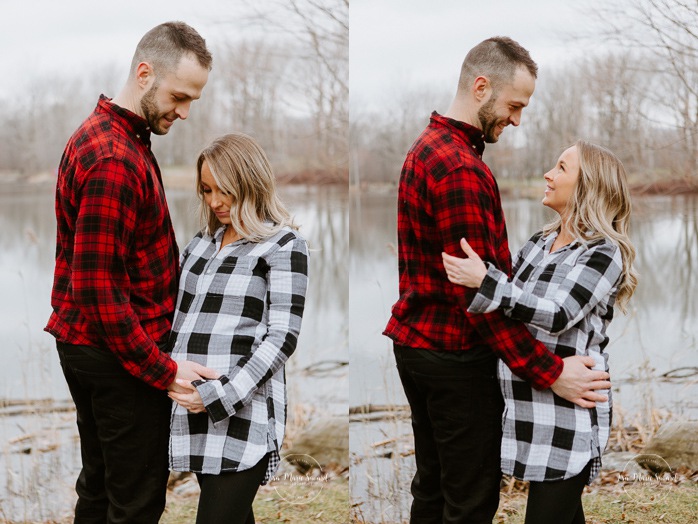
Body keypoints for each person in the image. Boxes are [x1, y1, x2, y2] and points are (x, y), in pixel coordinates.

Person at [383, 37, 612, 523]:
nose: (516, 120)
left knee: (434, 489)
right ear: (481, 87)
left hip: (418, 348)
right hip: (456, 358)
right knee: (468, 503)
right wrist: (551, 372)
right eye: (514, 105)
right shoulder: (459, 168)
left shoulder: (427, 148)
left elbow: (490, 288)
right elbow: (480, 303)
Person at [45, 22, 214, 524]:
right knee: (135, 503)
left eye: (192, 101)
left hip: (94, 349)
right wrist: (162, 369)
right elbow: (98, 289)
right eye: (178, 96)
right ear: (145, 73)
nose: (184, 112)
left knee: (99, 488)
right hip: (115, 355)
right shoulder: (115, 157)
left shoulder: (110, 136)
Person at [442, 141, 637, 524]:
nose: (548, 174)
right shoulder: (536, 244)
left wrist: (486, 281)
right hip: (527, 408)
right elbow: (508, 309)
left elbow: (560, 312)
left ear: (588, 186)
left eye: (561, 168)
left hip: (569, 411)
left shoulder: (604, 251)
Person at [166, 133, 309, 524]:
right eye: (206, 190)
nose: (214, 202)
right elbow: (179, 321)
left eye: (224, 190)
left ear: (250, 183)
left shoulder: (282, 245)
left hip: (242, 414)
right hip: (191, 411)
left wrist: (218, 395)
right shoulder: (199, 245)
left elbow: (282, 338)